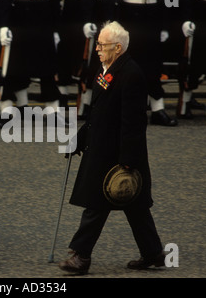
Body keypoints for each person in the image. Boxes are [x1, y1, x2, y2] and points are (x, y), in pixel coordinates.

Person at [59, 21, 165, 274]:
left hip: (117, 153)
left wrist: (128, 159)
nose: (97, 49)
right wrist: (79, 139)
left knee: (96, 204)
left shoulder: (131, 75)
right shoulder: (107, 68)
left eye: (101, 45)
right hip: (102, 146)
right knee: (136, 207)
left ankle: (81, 256)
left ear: (117, 47)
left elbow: (134, 123)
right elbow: (99, 113)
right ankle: (153, 253)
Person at [117, 0, 177, 126]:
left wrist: (167, 24)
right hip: (128, 14)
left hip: (153, 14)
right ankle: (124, 110)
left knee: (153, 65)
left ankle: (158, 109)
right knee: (126, 65)